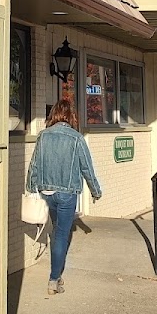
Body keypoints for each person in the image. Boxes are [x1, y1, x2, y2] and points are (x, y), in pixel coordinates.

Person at [27, 99, 102, 295]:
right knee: (61, 234)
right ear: (70, 116)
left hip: (47, 193)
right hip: (67, 193)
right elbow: (87, 167)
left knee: (55, 232)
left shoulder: (43, 136)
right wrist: (95, 191)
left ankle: (56, 274)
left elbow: (33, 166)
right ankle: (54, 279)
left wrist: (31, 188)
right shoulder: (76, 138)